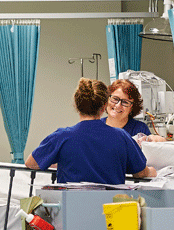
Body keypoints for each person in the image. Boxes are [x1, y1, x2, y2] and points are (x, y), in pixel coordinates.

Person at [26, 78, 156, 184]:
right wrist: (152, 171)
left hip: (72, 205)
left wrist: (60, 160)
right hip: (109, 205)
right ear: (104, 106)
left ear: (76, 105)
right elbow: (141, 172)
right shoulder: (122, 137)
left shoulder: (61, 137)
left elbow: (31, 163)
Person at [100, 79, 166, 142]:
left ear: (132, 107)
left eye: (125, 102)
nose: (118, 105)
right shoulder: (97, 126)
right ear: (107, 99)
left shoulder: (140, 129)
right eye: (115, 99)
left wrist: (159, 140)